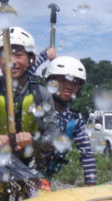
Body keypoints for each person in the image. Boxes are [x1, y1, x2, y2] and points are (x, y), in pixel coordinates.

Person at [0, 27, 60, 201]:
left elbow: (53, 139)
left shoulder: (41, 95)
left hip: (30, 167)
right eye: (5, 55)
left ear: (30, 59)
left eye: (19, 55)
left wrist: (32, 140)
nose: (12, 62)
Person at [36, 56, 97, 186]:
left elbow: (87, 156)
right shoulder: (37, 108)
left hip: (45, 178)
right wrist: (44, 55)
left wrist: (92, 186)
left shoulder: (75, 119)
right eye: (63, 80)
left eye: (75, 82)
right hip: (20, 171)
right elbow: (24, 73)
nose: (69, 86)